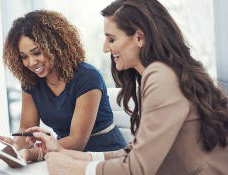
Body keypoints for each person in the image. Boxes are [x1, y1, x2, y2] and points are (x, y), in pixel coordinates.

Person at [23, 0, 228, 174]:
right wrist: (62, 151)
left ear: (139, 38)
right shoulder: (163, 74)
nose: (105, 48)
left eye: (111, 39)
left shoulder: (161, 77)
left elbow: (137, 168)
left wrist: (77, 169)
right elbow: (132, 152)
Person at [0, 9, 126, 167]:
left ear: (55, 46)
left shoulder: (88, 77)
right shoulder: (31, 81)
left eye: (36, 53)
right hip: (62, 155)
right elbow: (25, 128)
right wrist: (14, 147)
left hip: (104, 157)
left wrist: (31, 154)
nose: (31, 62)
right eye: (23, 56)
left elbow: (77, 141)